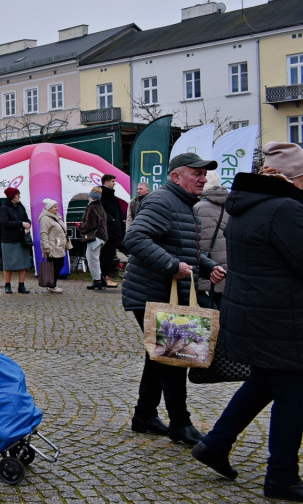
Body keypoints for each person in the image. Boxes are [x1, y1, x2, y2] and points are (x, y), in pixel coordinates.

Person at [191, 142, 303, 501]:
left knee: (263, 383)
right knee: (294, 397)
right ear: (296, 177)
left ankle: (216, 443)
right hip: (282, 320)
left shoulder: (249, 204)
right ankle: (282, 477)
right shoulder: (285, 209)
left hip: (257, 313)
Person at [122, 152, 224, 447]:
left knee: (158, 358)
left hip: (163, 294)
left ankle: (144, 416)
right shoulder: (162, 201)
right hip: (151, 294)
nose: (203, 178)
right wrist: (171, 266)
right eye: (197, 173)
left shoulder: (184, 204)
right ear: (175, 176)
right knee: (174, 358)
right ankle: (180, 424)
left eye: (205, 174)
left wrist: (206, 265)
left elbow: (181, 248)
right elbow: (135, 239)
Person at [193, 174, 228, 310]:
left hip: (205, 259)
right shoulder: (229, 208)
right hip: (224, 260)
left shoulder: (198, 207)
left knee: (200, 293)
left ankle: (213, 324)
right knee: (219, 296)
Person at [0, 186, 31, 294]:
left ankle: (21, 285)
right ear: (12, 196)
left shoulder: (20, 206)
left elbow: (26, 219)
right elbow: (4, 223)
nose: (19, 197)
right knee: (9, 264)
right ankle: (7, 285)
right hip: (9, 239)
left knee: (24, 263)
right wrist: (21, 224)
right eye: (17, 195)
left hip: (21, 238)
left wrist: (28, 225)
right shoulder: (4, 208)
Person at [38, 198, 68, 293]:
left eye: (57, 206)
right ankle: (52, 285)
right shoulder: (45, 219)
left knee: (58, 264)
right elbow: (43, 233)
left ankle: (52, 284)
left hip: (58, 246)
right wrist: (46, 247)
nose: (57, 208)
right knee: (54, 266)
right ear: (49, 208)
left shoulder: (56, 217)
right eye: (54, 206)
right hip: (52, 246)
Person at [81, 186, 108, 291]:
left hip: (95, 237)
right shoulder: (100, 206)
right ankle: (100, 279)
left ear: (91, 196)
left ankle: (97, 280)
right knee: (95, 258)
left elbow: (91, 224)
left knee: (92, 259)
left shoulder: (92, 207)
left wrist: (81, 227)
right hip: (101, 236)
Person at [99, 174, 123, 287]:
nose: (114, 183)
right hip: (108, 230)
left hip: (114, 230)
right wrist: (112, 219)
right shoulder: (102, 195)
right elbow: (101, 210)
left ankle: (104, 275)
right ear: (106, 182)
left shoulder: (113, 197)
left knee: (109, 254)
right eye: (113, 181)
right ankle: (102, 276)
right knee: (107, 254)